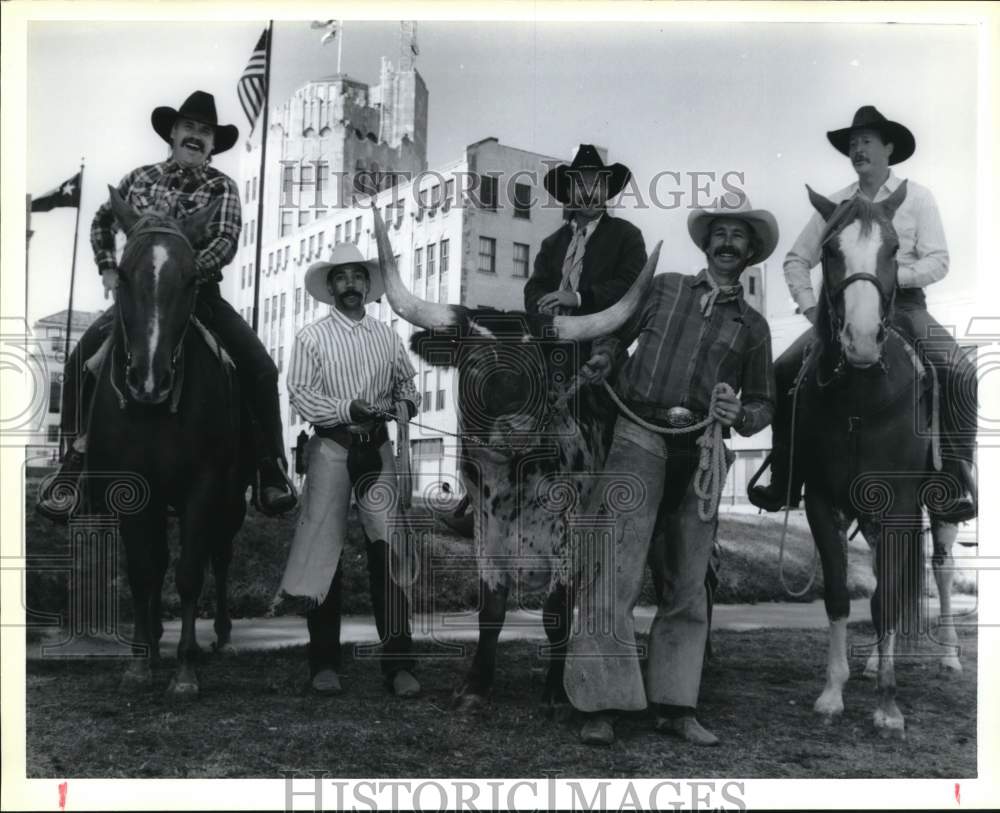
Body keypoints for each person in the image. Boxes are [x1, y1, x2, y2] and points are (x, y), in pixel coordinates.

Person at [564, 197, 778, 747]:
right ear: (706, 243)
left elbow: (763, 403)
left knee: (687, 583)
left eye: (739, 237)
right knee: (617, 570)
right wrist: (605, 360)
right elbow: (615, 335)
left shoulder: (752, 326)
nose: (728, 243)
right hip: (638, 434)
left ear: (751, 252)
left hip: (703, 446)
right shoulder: (664, 288)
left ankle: (675, 705)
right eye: (721, 233)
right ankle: (601, 703)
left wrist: (742, 415)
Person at [36, 90, 296, 520]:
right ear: (172, 133)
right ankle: (75, 461)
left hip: (199, 296)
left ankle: (269, 468)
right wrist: (106, 267)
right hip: (139, 300)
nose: (196, 136)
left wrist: (185, 272)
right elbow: (103, 221)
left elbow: (226, 241)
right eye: (189, 127)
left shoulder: (222, 187)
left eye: (206, 132)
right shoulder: (138, 178)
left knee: (261, 369)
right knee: (80, 362)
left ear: (214, 144)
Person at [749, 106, 977, 522]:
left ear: (889, 148)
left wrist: (882, 278)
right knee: (781, 372)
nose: (858, 150)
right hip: (841, 315)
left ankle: (954, 480)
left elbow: (938, 261)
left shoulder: (918, 197)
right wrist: (812, 306)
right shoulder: (835, 203)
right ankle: (783, 477)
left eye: (867, 141)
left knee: (960, 371)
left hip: (904, 308)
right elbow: (796, 260)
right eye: (852, 144)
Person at [277, 243, 421, 697]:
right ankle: (324, 664)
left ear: (367, 285)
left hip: (377, 451)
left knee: (389, 555)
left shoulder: (387, 336)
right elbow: (300, 393)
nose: (351, 286)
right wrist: (346, 406)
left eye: (358, 277)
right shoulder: (311, 338)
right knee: (326, 556)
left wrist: (405, 405)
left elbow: (407, 384)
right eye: (341, 278)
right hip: (331, 448)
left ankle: (398, 665)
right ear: (330, 287)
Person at [524, 144, 647, 322]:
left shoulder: (627, 236)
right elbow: (533, 288)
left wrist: (579, 298)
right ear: (568, 192)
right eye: (580, 185)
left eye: (596, 185)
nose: (589, 193)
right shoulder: (551, 243)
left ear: (606, 191)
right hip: (551, 335)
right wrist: (545, 305)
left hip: (603, 339)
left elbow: (632, 286)